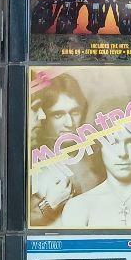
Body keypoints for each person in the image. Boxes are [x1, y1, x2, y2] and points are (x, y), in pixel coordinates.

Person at [28, 73, 99, 225]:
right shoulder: (29, 161)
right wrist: (47, 205)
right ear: (43, 118)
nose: (70, 123)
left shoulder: (97, 159)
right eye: (58, 115)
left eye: (75, 112)